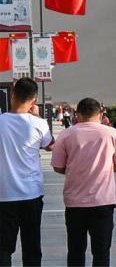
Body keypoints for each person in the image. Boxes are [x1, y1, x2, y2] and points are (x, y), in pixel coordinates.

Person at [51, 98, 116, 267]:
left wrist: (74, 170)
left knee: (76, 251)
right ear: (100, 114)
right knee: (101, 252)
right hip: (103, 202)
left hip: (75, 203)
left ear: (77, 114)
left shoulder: (67, 134)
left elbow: (57, 167)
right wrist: (106, 169)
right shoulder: (112, 133)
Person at [0, 78, 54, 266]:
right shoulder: (39, 124)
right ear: (34, 101)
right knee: (32, 246)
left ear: (12, 95)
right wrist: (37, 117)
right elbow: (50, 146)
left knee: (3, 248)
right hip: (31, 193)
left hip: (4, 195)